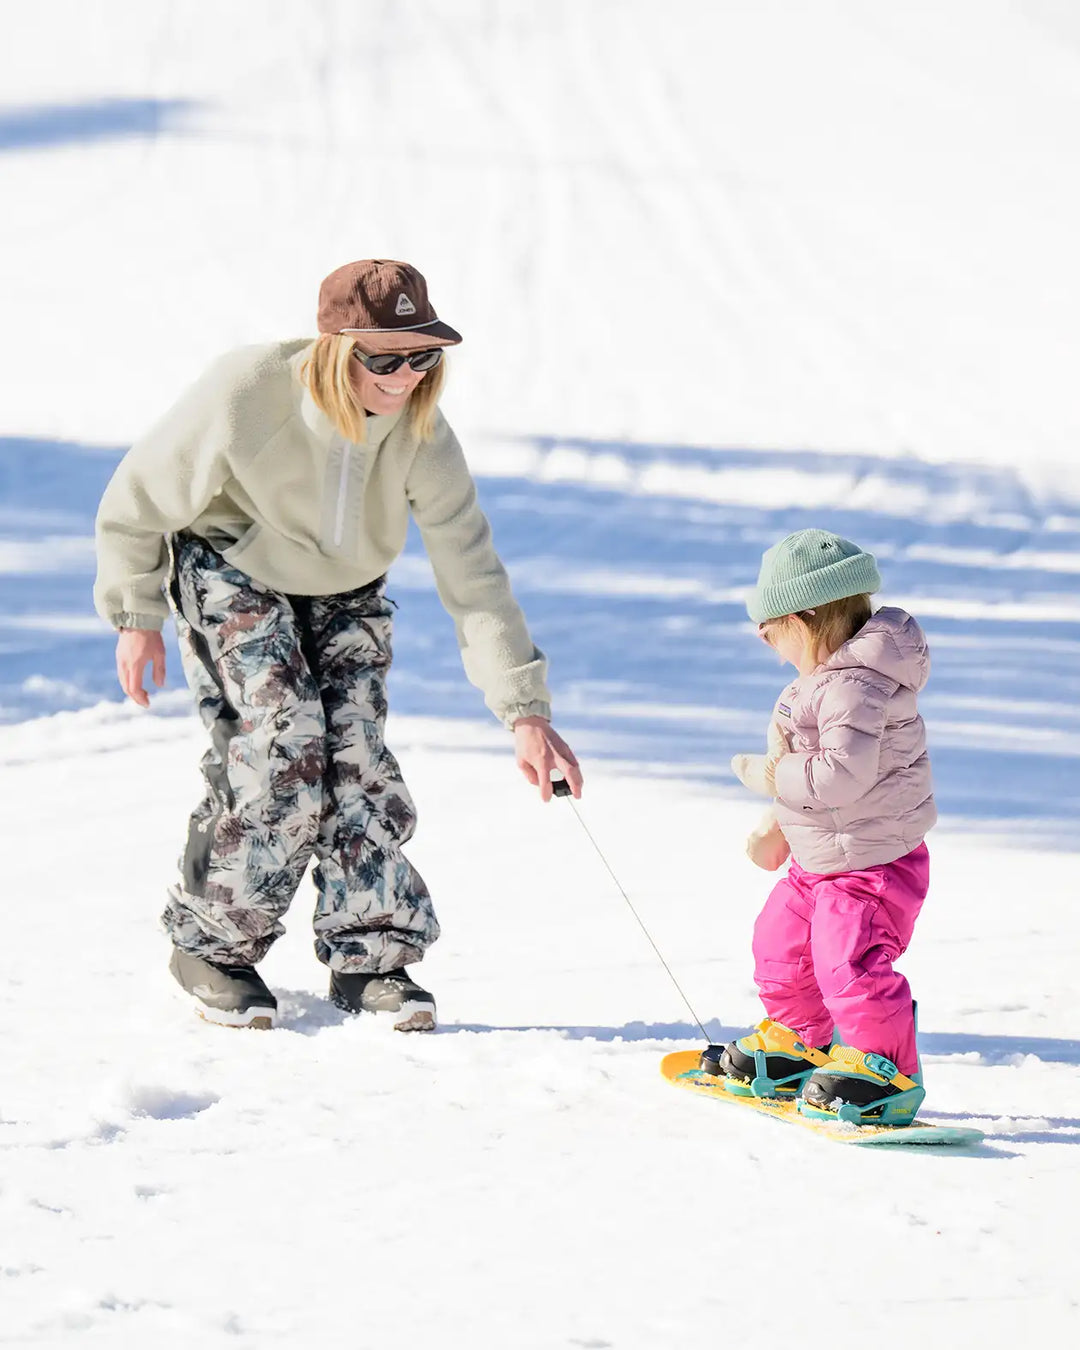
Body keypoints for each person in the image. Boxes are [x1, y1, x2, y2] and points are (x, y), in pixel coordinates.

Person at [94, 258, 583, 1034]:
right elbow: (139, 495)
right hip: (233, 564)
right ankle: (211, 948)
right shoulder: (248, 390)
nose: (404, 375)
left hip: (347, 585)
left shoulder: (423, 429)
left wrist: (523, 709)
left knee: (356, 754)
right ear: (334, 349)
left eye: (424, 355)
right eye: (384, 357)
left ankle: (372, 959)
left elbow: (473, 572)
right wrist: (135, 612)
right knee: (284, 739)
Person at [703, 529, 936, 1125]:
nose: (763, 637)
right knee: (779, 944)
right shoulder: (818, 685)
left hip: (872, 865)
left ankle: (884, 1071)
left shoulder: (856, 688)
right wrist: (775, 825)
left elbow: (837, 777)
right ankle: (798, 1043)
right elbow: (813, 785)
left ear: (809, 616)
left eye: (771, 624)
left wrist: (771, 775)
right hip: (821, 858)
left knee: (848, 962)